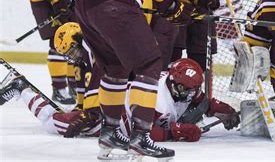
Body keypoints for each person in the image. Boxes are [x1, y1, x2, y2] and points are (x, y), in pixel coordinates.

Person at [53, 0, 202, 159]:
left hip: (85, 4)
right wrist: (171, 8)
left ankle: (109, 132)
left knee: (116, 67)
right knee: (149, 63)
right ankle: (140, 137)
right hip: (114, 4)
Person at [0, 55, 239, 145]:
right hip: (110, 117)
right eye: (184, 90)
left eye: (192, 90)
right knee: (54, 123)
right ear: (172, 83)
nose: (189, 95)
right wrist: (178, 131)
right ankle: (21, 88)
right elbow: (146, 133)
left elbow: (201, 100)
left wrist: (223, 110)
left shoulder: (182, 85)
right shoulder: (156, 95)